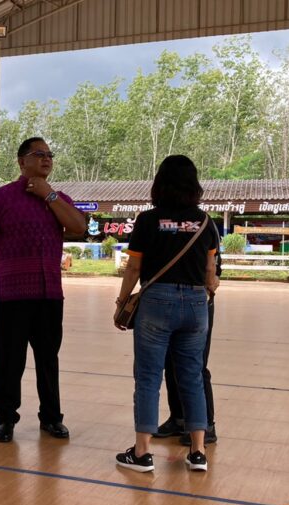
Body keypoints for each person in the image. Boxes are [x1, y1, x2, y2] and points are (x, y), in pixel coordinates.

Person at [0, 137, 87, 443]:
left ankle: (51, 418)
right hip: (11, 296)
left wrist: (49, 195)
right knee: (9, 360)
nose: (47, 159)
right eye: (39, 154)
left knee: (48, 359)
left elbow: (79, 226)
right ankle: (5, 419)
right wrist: (1, 267)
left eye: (50, 154)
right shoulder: (0, 198)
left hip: (49, 294)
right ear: (22, 161)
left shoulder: (59, 198)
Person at [113, 154, 219, 473]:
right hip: (196, 304)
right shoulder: (205, 222)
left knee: (148, 377)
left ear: (160, 183)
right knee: (192, 376)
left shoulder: (148, 220)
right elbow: (210, 273)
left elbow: (134, 268)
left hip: (157, 302)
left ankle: (142, 453)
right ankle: (198, 452)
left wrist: (122, 302)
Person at [154, 250, 221, 445]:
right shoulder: (166, 232)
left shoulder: (206, 232)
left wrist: (211, 283)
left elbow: (213, 267)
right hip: (169, 299)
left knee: (196, 365)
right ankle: (179, 419)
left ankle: (207, 426)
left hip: (197, 301)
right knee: (171, 361)